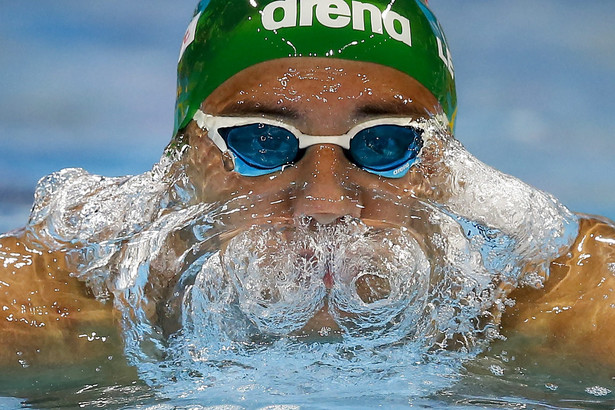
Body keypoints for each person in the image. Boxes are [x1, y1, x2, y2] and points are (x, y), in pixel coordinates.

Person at [1, 0, 614, 377]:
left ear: (445, 169)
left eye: (384, 143)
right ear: (182, 162)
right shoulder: (61, 320)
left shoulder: (560, 318)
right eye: (262, 141)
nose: (324, 201)